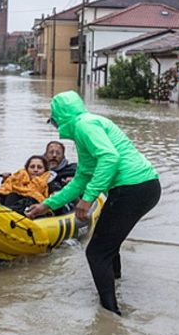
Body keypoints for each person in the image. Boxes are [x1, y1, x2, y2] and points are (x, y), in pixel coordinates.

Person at [25, 91, 160, 315]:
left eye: (54, 119)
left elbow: (110, 158)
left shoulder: (84, 126)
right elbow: (81, 178)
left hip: (132, 188)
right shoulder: (85, 128)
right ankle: (115, 285)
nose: (54, 124)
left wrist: (87, 199)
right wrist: (46, 205)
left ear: (61, 116)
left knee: (96, 253)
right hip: (144, 187)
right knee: (109, 245)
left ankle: (110, 316)